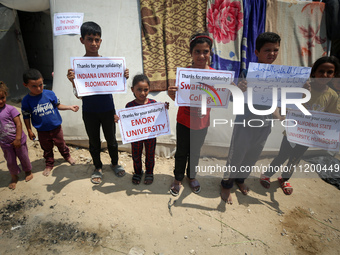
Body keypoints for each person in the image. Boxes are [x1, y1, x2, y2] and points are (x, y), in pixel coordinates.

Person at [260, 56, 340, 195]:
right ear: (313, 72)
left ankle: (284, 178)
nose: (325, 75)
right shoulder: (302, 87)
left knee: (295, 159)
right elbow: (286, 101)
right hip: (293, 132)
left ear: (334, 75)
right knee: (282, 155)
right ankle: (266, 175)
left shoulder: (332, 96)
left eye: (329, 72)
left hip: (309, 136)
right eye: (321, 71)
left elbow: (333, 115)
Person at [220, 32, 282, 204]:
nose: (272, 54)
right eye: (267, 50)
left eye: (275, 50)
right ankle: (226, 184)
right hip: (245, 122)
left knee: (253, 154)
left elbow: (281, 99)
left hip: (265, 123)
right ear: (256, 52)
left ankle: (240, 179)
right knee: (237, 154)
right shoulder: (247, 73)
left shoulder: (280, 75)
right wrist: (239, 88)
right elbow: (233, 98)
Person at [67, 21, 129, 184]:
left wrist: (123, 75)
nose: (93, 43)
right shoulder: (78, 66)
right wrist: (74, 82)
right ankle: (98, 167)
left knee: (112, 141)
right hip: (89, 111)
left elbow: (116, 86)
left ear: (101, 41)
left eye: (97, 39)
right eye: (89, 39)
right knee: (94, 141)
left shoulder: (109, 64)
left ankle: (115, 164)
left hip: (108, 109)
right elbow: (79, 95)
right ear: (82, 40)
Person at [168, 32, 214, 196]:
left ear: (210, 53)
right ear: (191, 53)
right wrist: (172, 94)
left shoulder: (216, 75)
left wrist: (227, 88)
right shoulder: (184, 74)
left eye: (205, 51)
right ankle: (178, 178)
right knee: (181, 151)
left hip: (202, 123)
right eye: (197, 51)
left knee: (195, 152)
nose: (202, 55)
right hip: (184, 121)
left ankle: (191, 176)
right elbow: (178, 95)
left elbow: (220, 97)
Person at [21, 69, 78, 176]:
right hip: (42, 130)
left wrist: (70, 107)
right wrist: (29, 130)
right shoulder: (26, 101)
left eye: (40, 84)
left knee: (61, 144)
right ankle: (49, 164)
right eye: (34, 86)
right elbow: (26, 116)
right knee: (46, 148)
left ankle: (67, 156)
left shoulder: (50, 94)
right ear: (25, 85)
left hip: (56, 128)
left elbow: (58, 105)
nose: (38, 88)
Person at [125, 74, 169, 185]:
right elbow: (127, 121)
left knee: (150, 154)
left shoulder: (153, 104)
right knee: (136, 155)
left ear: (149, 89)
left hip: (150, 135)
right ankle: (138, 172)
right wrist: (119, 118)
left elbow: (159, 117)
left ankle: (149, 173)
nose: (142, 93)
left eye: (146, 90)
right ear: (132, 90)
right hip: (136, 136)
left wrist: (163, 108)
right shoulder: (129, 106)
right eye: (139, 90)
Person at [0, 81, 33, 189]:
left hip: (18, 140)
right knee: (10, 161)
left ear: (5, 95)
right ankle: (14, 176)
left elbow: (18, 124)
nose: (1, 101)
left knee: (23, 157)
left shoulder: (10, 109)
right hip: (5, 143)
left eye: (2, 97)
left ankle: (28, 171)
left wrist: (18, 138)